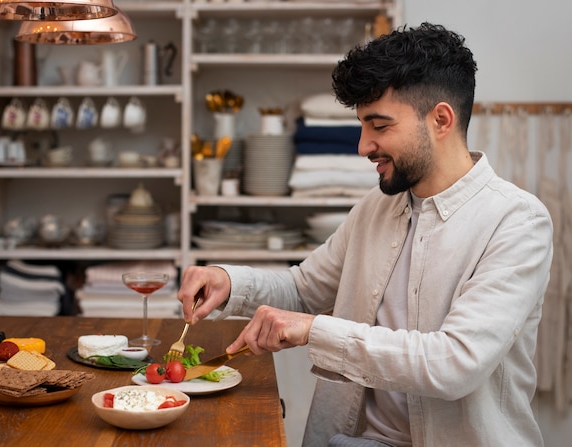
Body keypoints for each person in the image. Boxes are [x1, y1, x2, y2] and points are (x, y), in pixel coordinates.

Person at [177, 23, 553, 447]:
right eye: (362, 125)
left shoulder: (518, 222)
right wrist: (229, 282)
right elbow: (304, 290)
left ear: (441, 120)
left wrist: (313, 331)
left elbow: (454, 363)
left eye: (379, 125)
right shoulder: (379, 205)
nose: (362, 146)